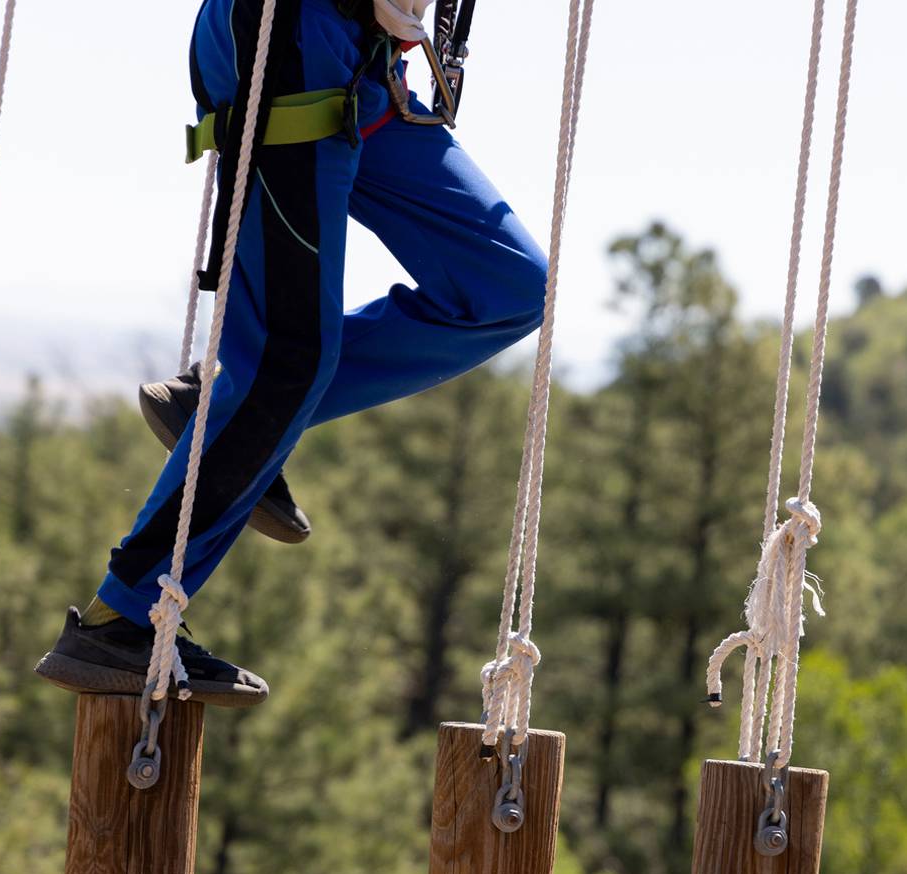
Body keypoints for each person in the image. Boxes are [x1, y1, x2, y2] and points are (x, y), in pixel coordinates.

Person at [34, 0, 548, 706]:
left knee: (509, 288)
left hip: (372, 59)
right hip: (292, 30)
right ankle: (119, 618)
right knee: (286, 361)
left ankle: (223, 408)